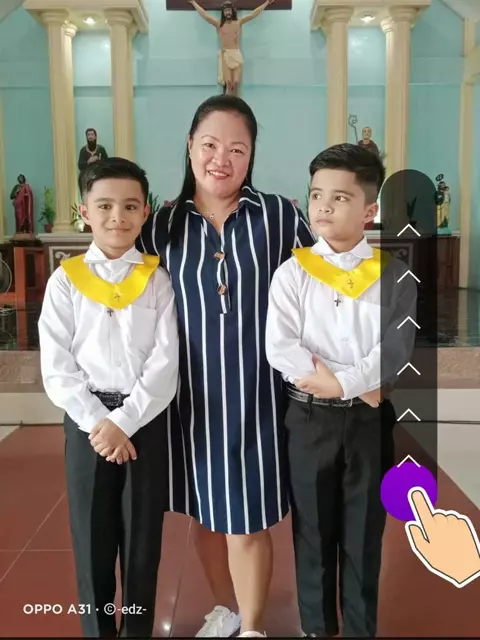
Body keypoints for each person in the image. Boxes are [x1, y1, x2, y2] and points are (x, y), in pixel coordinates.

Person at [137, 94, 314, 637]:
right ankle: (226, 609)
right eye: (210, 144)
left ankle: (253, 627)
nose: (222, 159)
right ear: (190, 145)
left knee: (246, 518)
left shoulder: (279, 216)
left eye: (237, 149)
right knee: (206, 513)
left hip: (258, 395)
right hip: (190, 399)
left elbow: (320, 285)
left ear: (252, 155)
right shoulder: (161, 226)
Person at [265, 143, 417, 637]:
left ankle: (360, 629)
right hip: (310, 421)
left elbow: (396, 349)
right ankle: (316, 628)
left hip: (369, 423)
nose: (324, 207)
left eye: (340, 197)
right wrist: (349, 384)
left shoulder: (395, 276)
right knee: (312, 532)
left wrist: (348, 382)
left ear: (370, 210)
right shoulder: (292, 273)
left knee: (364, 533)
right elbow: (280, 347)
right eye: (316, 195)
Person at [38, 157, 179, 638]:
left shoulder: (157, 280)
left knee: (142, 539)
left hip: (144, 423)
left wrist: (126, 421)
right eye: (105, 206)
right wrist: (101, 423)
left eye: (130, 206)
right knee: (91, 536)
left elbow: (165, 361)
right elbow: (57, 365)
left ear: (145, 212)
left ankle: (137, 631)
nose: (118, 216)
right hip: (88, 427)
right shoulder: (66, 281)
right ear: (84, 212)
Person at [188, 0, 274, 96]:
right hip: (226, 54)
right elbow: (205, 15)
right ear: (223, 13)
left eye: (229, 10)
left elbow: (253, 14)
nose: (228, 12)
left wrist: (267, 3)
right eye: (225, 11)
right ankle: (228, 101)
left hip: (236, 54)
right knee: (229, 82)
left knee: (236, 82)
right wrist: (193, 2)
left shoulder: (238, 22)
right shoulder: (219, 24)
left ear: (232, 11)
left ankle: (235, 101)